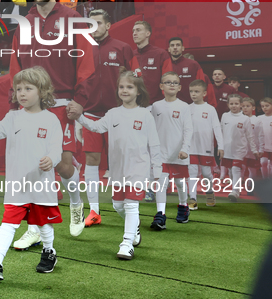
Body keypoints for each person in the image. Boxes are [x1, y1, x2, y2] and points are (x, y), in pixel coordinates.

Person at [8, 0, 95, 249]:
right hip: (32, 108)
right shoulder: (24, 24)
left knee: (63, 165)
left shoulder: (72, 19)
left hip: (62, 104)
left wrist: (80, 100)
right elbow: (16, 67)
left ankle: (76, 203)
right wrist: (16, 99)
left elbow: (86, 63)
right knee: (34, 168)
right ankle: (35, 228)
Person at [0, 67, 63, 281]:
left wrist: (52, 160)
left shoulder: (51, 120)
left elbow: (56, 149)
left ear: (42, 91)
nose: (21, 93)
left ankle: (49, 252)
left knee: (43, 223)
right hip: (17, 185)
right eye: (18, 89)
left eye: (28, 88)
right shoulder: (12, 117)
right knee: (9, 222)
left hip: (41, 185)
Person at [73, 71, 158, 260]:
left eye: (129, 87)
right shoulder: (112, 114)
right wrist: (79, 117)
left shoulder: (145, 115)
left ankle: (127, 243)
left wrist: (157, 170)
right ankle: (134, 229)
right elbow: (96, 127)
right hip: (118, 170)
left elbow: (154, 144)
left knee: (130, 205)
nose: (125, 90)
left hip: (138, 169)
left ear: (138, 91)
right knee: (118, 204)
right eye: (121, 87)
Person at [71, 8, 134, 228]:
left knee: (120, 162)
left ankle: (125, 205)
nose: (93, 27)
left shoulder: (123, 48)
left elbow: (136, 82)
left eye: (98, 23)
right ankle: (95, 211)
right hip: (90, 114)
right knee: (91, 161)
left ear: (108, 25)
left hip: (118, 115)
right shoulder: (80, 48)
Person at [150, 72, 193, 229]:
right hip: (160, 154)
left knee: (180, 183)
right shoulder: (156, 106)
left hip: (179, 154)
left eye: (175, 82)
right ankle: (160, 215)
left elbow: (188, 130)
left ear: (180, 87)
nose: (172, 84)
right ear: (161, 86)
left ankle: (183, 207)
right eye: (168, 82)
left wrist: (185, 148)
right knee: (161, 183)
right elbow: (151, 129)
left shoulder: (184, 107)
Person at [187, 79, 223, 209]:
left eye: (197, 91)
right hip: (190, 147)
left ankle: (209, 193)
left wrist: (221, 146)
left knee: (207, 173)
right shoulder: (187, 108)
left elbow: (217, 128)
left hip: (206, 147)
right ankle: (192, 199)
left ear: (204, 93)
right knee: (192, 172)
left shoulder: (210, 109)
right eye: (191, 91)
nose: (193, 94)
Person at [220, 95, 258, 201]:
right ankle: (235, 188)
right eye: (231, 104)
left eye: (236, 104)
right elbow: (221, 132)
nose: (234, 106)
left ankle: (235, 191)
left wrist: (254, 150)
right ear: (228, 105)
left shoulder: (245, 119)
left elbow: (250, 136)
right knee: (231, 171)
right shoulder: (225, 116)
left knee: (236, 169)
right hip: (227, 149)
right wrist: (220, 147)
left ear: (240, 105)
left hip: (240, 149)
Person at [130, 21, 172, 105]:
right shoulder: (131, 55)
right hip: (134, 103)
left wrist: (167, 101)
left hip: (156, 104)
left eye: (138, 30)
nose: (134, 33)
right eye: (133, 31)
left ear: (147, 33)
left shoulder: (161, 54)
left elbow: (168, 79)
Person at [167, 37, 216, 106]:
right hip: (169, 105)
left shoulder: (193, 64)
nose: (175, 48)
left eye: (178, 45)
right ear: (169, 49)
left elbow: (201, 85)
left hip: (190, 105)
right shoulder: (165, 65)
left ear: (183, 48)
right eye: (172, 45)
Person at [241, 98, 264, 186]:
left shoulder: (257, 120)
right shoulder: (240, 119)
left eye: (248, 106)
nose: (245, 108)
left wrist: (261, 149)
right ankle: (237, 188)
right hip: (242, 149)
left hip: (253, 150)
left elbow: (260, 135)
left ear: (253, 107)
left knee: (252, 170)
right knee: (240, 169)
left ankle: (250, 187)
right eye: (243, 106)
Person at [259, 98, 272, 178]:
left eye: (267, 105)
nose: (265, 108)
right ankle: (265, 180)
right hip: (263, 145)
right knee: (263, 162)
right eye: (263, 106)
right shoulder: (259, 118)